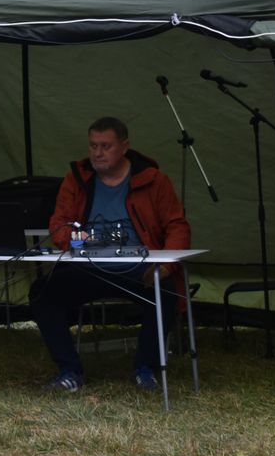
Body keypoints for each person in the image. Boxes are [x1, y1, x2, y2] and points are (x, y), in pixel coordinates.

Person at [30, 117, 191, 392]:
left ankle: (145, 368)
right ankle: (70, 371)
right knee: (42, 292)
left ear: (124, 147)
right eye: (93, 146)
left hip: (139, 267)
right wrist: (78, 240)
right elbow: (59, 224)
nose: (98, 153)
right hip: (88, 267)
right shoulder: (77, 179)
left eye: (106, 146)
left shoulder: (153, 180)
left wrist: (166, 265)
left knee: (165, 291)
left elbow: (177, 226)